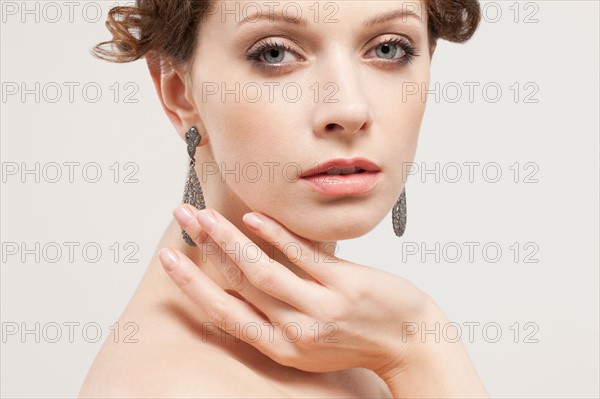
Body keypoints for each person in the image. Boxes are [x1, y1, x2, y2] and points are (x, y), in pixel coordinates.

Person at [79, 0, 489, 397]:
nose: (349, 108)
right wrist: (420, 345)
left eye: (388, 48)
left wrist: (409, 345)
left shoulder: (355, 340)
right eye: (275, 53)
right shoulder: (176, 388)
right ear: (179, 92)